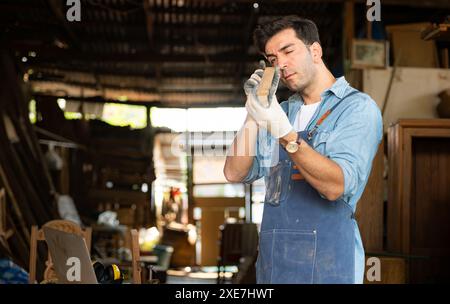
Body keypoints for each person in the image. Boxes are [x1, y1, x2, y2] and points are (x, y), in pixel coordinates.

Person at [223, 15, 382, 284]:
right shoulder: (282, 111)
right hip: (276, 265)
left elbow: (335, 186)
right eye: (272, 59)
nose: (281, 64)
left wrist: (283, 132)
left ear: (315, 51)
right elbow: (234, 172)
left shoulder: (356, 108)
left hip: (329, 266)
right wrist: (254, 111)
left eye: (288, 51)